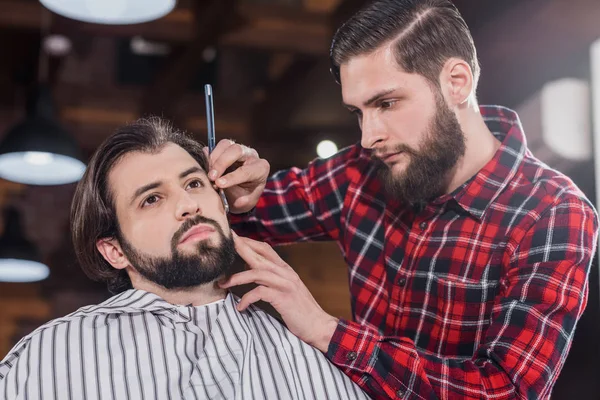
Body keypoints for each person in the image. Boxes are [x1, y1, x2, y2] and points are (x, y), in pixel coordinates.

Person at [206, 0, 600, 399]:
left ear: (457, 83)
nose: (368, 136)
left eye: (386, 103)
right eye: (358, 112)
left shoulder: (553, 211)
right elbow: (242, 214)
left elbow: (506, 391)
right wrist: (241, 193)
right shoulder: (360, 172)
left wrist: (325, 331)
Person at [0, 118, 370, 400]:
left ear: (223, 203)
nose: (188, 204)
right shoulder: (52, 358)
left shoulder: (308, 356)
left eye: (194, 183)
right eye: (151, 199)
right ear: (115, 250)